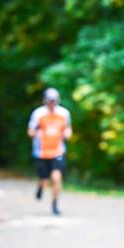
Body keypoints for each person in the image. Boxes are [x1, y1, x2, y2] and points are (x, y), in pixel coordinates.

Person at [27, 88, 72, 216]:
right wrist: (37, 133)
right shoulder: (38, 114)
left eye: (54, 101)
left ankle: (55, 205)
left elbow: (68, 129)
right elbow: (30, 132)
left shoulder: (64, 113)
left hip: (57, 151)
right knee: (44, 179)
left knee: (57, 178)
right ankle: (41, 185)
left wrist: (67, 134)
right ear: (45, 101)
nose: (52, 104)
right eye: (50, 101)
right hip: (41, 152)